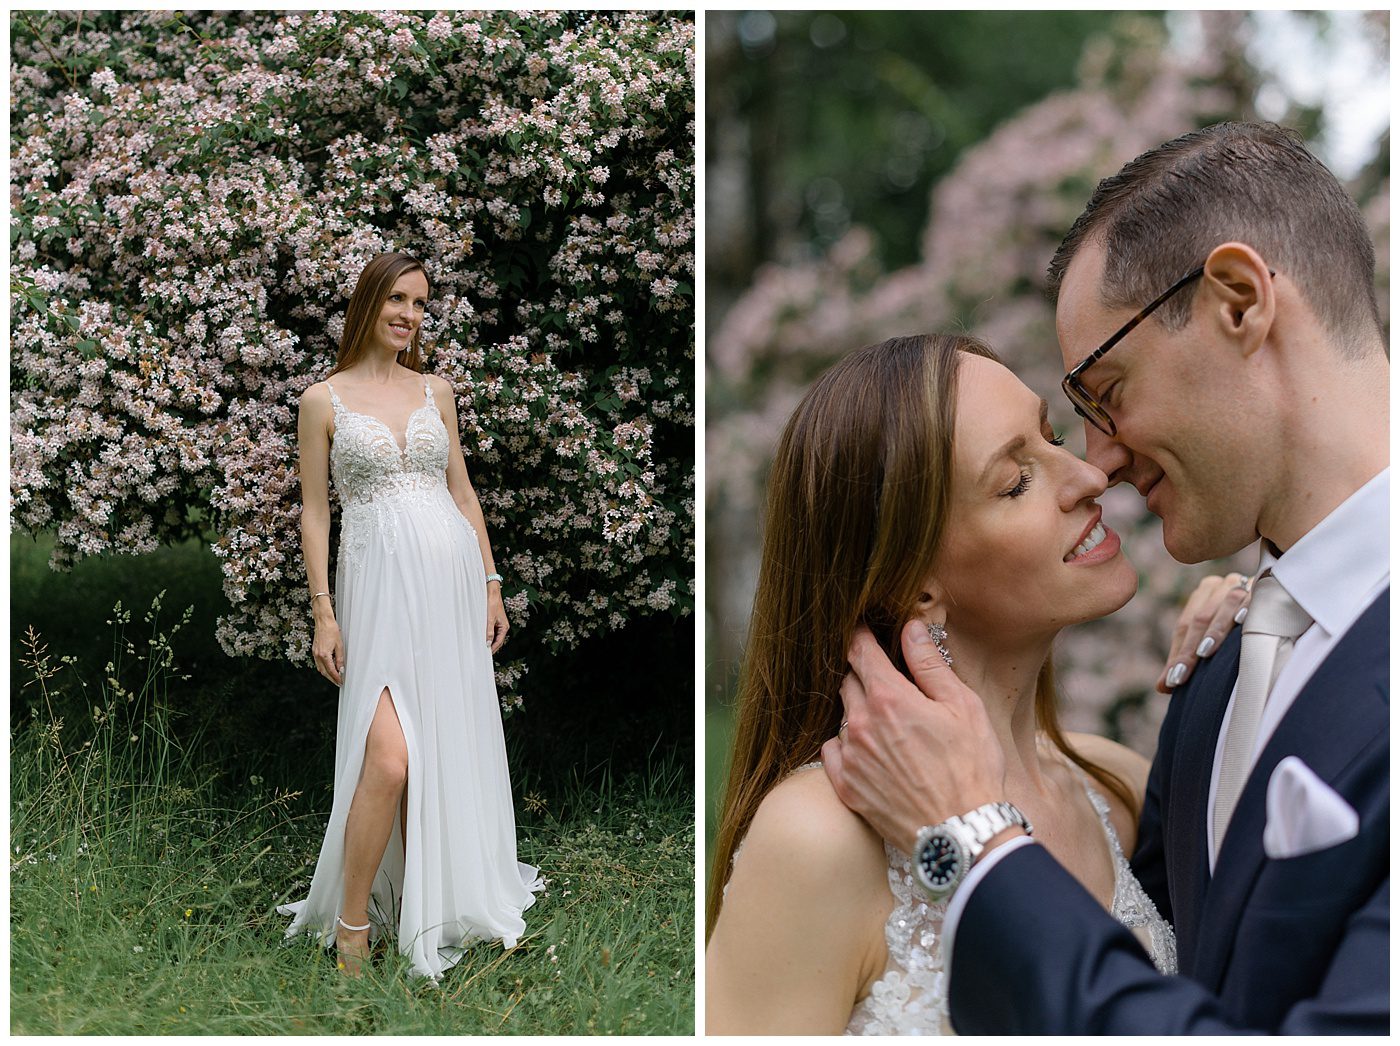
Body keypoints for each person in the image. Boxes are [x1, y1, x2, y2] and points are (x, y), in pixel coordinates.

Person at [824, 122, 1388, 1033]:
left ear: (1239, 302)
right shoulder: (1216, 680)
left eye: (1107, 392)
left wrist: (971, 839)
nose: (1100, 462)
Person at [706, 332, 1246, 1034]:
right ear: (914, 587)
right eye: (1016, 480)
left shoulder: (1117, 790)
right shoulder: (817, 839)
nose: (1089, 477)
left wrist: (1257, 640)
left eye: (1052, 437)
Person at [278, 251, 543, 981]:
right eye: (398, 299)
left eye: (421, 304)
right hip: (377, 589)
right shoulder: (322, 400)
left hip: (450, 585)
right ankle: (352, 926)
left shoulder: (436, 391)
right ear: (369, 302)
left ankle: (429, 901)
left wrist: (491, 583)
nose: (409, 315)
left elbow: (463, 493)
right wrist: (323, 613)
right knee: (390, 758)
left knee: (440, 746)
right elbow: (315, 512)